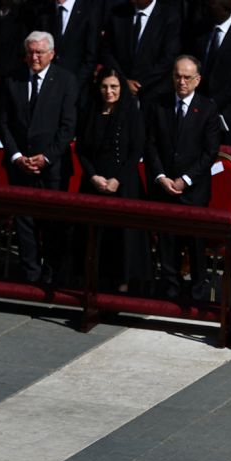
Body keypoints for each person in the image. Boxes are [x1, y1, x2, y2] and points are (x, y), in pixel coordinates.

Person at [0, 30, 78, 284]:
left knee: (52, 221)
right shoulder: (13, 80)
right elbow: (4, 123)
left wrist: (47, 157)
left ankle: (51, 273)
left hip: (53, 167)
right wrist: (18, 156)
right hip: (20, 165)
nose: (34, 57)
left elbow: (68, 126)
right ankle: (30, 274)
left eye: (40, 52)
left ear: (51, 54)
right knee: (24, 222)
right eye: (30, 52)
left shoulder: (66, 80)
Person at [145, 55, 221, 302]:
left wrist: (186, 179)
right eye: (177, 76)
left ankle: (198, 289)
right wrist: (161, 177)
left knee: (195, 242)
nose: (181, 82)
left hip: (193, 189)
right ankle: (170, 287)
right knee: (167, 241)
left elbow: (210, 152)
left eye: (187, 77)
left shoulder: (208, 108)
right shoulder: (159, 105)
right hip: (164, 185)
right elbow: (151, 145)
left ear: (197, 80)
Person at [75, 66, 150, 292]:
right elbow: (82, 150)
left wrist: (117, 179)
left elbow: (136, 150)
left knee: (124, 237)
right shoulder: (91, 111)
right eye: (105, 86)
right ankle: (95, 281)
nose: (109, 91)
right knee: (95, 235)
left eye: (114, 87)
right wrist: (94, 176)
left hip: (124, 183)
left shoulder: (131, 113)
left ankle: (124, 282)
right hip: (95, 181)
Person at [194, 0, 231, 141]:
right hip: (199, 108)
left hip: (228, 110)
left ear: (226, 9)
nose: (206, 9)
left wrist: (215, 102)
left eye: (211, 5)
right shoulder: (201, 31)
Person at [101, 0, 181, 103]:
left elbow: (169, 57)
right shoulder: (118, 13)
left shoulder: (169, 16)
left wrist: (140, 84)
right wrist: (123, 81)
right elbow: (107, 51)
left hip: (153, 94)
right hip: (119, 90)